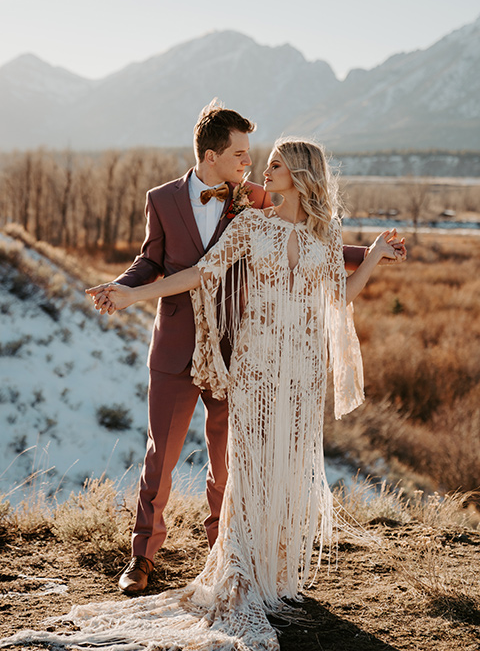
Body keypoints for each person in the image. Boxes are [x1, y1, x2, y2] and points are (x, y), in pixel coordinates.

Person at [4, 137, 405, 651]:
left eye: (277, 164)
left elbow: (340, 296)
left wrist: (370, 256)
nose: (265, 168)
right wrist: (132, 294)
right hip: (256, 368)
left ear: (302, 174)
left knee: (287, 465)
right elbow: (197, 274)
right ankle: (239, 568)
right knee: (250, 467)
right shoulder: (250, 224)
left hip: (301, 373)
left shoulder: (324, 237)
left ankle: (274, 572)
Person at [85, 101, 404, 596]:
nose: (254, 166)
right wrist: (127, 293)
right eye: (244, 154)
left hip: (269, 358)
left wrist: (374, 253)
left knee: (250, 463)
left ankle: (242, 557)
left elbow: (327, 269)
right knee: (175, 457)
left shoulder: (264, 206)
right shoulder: (193, 207)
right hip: (205, 351)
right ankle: (151, 557)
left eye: (266, 160)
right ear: (212, 154)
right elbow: (175, 268)